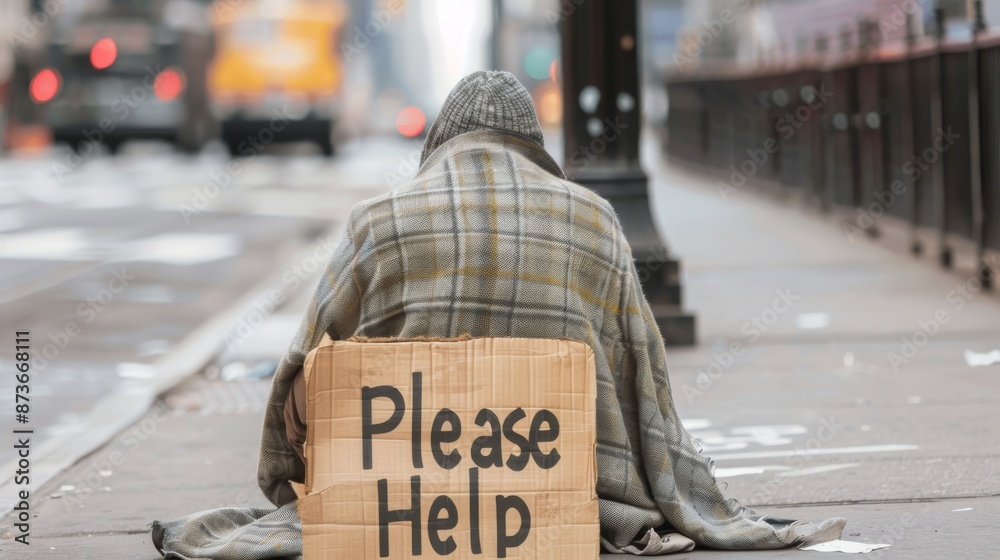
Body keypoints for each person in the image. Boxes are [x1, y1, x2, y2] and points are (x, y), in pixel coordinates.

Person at [153, 71, 844, 558]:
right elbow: (646, 381)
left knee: (322, 367)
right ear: (530, 146)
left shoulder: (379, 219)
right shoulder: (596, 217)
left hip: (402, 502)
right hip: (565, 495)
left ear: (440, 144)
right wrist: (666, 484)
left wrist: (287, 482)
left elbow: (297, 374)